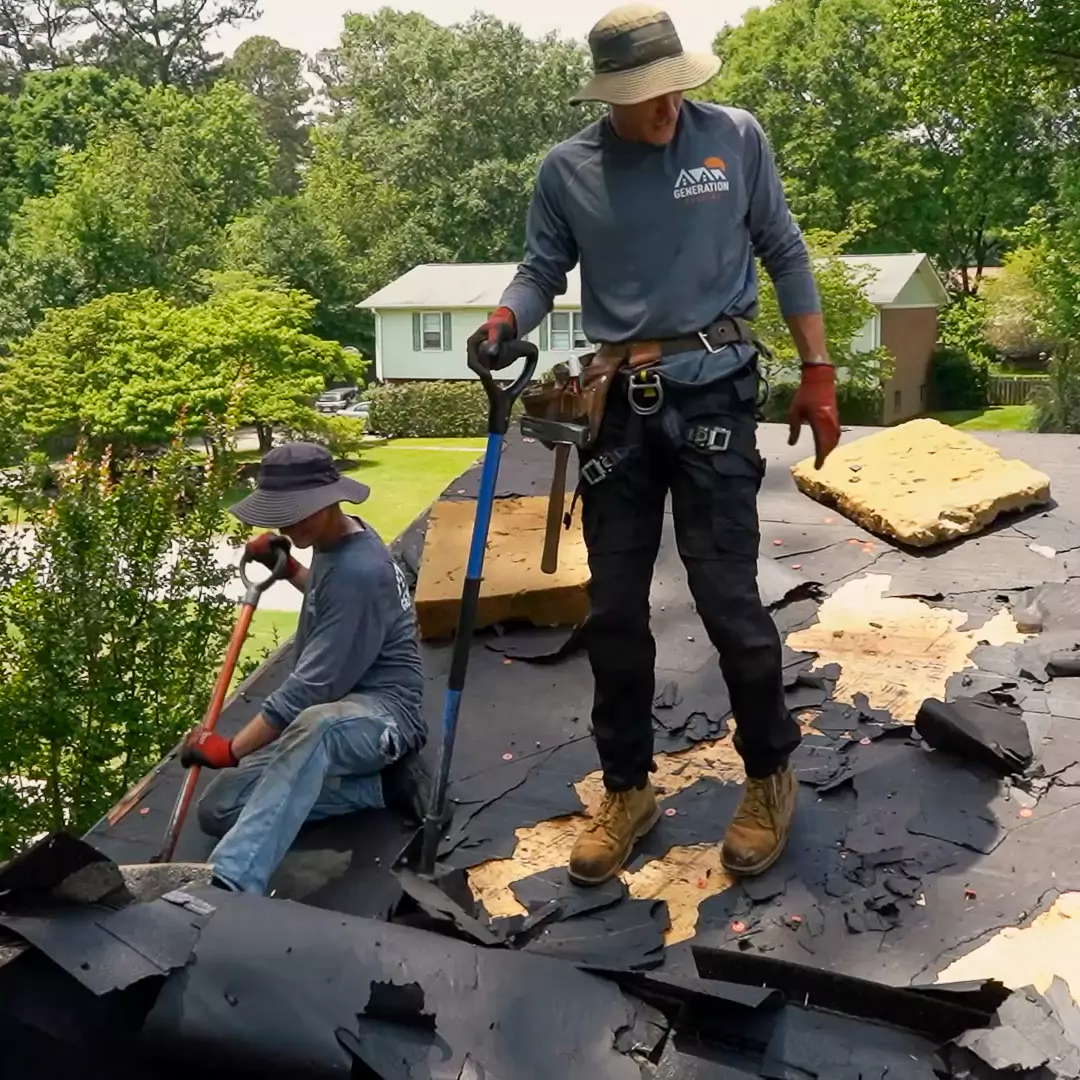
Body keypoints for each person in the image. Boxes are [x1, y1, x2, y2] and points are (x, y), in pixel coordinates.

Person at [470, 3, 839, 887]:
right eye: (647, 97)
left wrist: (818, 367)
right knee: (615, 616)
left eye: (674, 88)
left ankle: (768, 775)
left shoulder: (734, 139)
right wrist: (503, 317)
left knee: (727, 602)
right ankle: (628, 788)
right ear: (609, 96)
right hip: (619, 406)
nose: (666, 107)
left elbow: (783, 249)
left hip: (716, 385)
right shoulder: (568, 171)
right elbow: (540, 268)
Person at [180, 442, 429, 895]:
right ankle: (383, 790)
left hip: (385, 717)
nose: (287, 525)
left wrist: (230, 749)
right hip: (341, 710)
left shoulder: (361, 570)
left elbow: (312, 689)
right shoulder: (340, 541)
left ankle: (228, 885)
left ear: (332, 499)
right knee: (218, 809)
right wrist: (290, 566)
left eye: (298, 514)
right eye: (280, 515)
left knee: (315, 725)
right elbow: (328, 599)